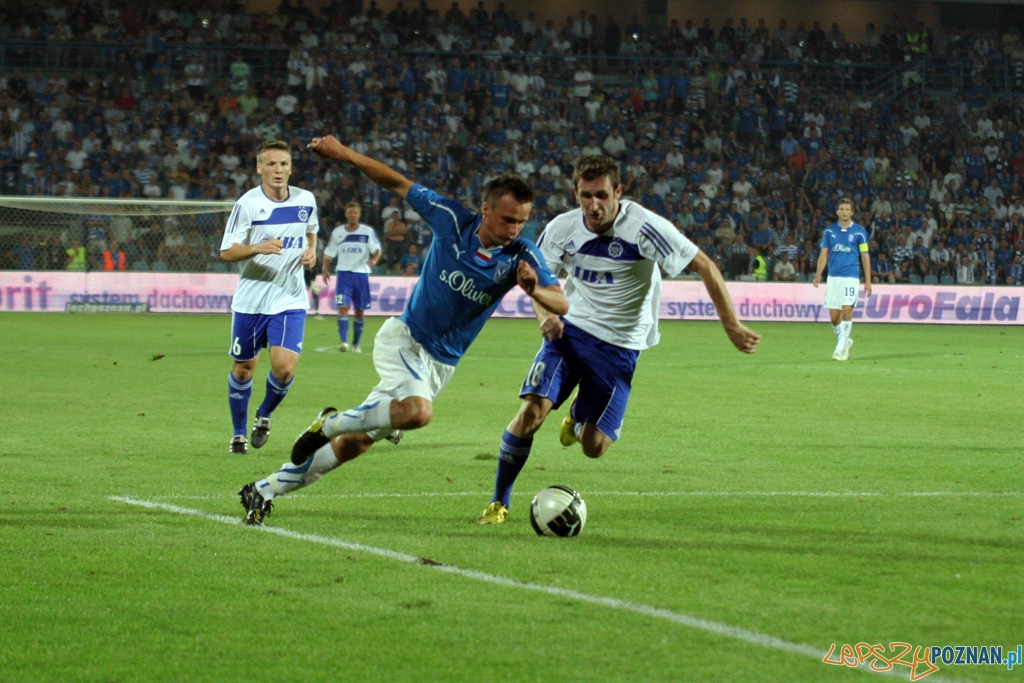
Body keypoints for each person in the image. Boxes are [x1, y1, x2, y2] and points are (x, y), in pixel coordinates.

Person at [238, 135, 568, 526]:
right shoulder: (451, 219)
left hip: (441, 365)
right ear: (485, 210)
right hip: (405, 340)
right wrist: (344, 153)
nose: (515, 228)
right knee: (418, 413)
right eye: (508, 219)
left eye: (522, 221)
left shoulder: (522, 253)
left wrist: (534, 290)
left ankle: (264, 488)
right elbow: (396, 182)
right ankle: (330, 422)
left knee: (357, 444)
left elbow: (561, 302)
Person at [478, 154, 761, 525]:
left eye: (601, 196)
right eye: (585, 196)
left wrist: (732, 326)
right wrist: (546, 317)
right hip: (569, 332)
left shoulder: (644, 228)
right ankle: (499, 502)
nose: (593, 206)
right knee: (531, 410)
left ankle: (578, 416)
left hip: (620, 347)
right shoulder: (562, 229)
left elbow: (704, 265)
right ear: (575, 193)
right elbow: (540, 281)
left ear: (618, 192)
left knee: (594, 447)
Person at [220, 140, 319, 455]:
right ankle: (238, 434)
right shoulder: (247, 204)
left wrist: (313, 250)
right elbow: (227, 252)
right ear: (259, 168)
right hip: (251, 301)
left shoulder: (306, 199)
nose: (278, 170)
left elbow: (311, 230)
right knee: (244, 369)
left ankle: (263, 415)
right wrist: (256, 247)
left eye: (284, 164)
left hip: (290, 298)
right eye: (272, 164)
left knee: (285, 368)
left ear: (291, 168)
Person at [812, 197, 872, 361]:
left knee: (847, 310)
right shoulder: (829, 231)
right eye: (842, 209)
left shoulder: (859, 231)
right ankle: (845, 339)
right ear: (837, 211)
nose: (844, 212)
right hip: (833, 277)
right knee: (834, 317)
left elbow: (865, 256)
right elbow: (824, 254)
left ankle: (839, 350)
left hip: (851, 276)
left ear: (852, 212)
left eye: (847, 209)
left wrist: (868, 280)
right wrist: (818, 274)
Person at [322, 201, 381, 352]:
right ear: (346, 214)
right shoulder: (338, 232)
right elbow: (329, 253)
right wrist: (325, 269)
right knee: (343, 308)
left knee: (359, 311)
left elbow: (377, 250)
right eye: (350, 212)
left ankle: (355, 343)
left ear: (359, 214)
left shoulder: (367, 231)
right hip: (344, 275)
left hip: (361, 275)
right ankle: (344, 343)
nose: (353, 215)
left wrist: (373, 260)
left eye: (355, 212)